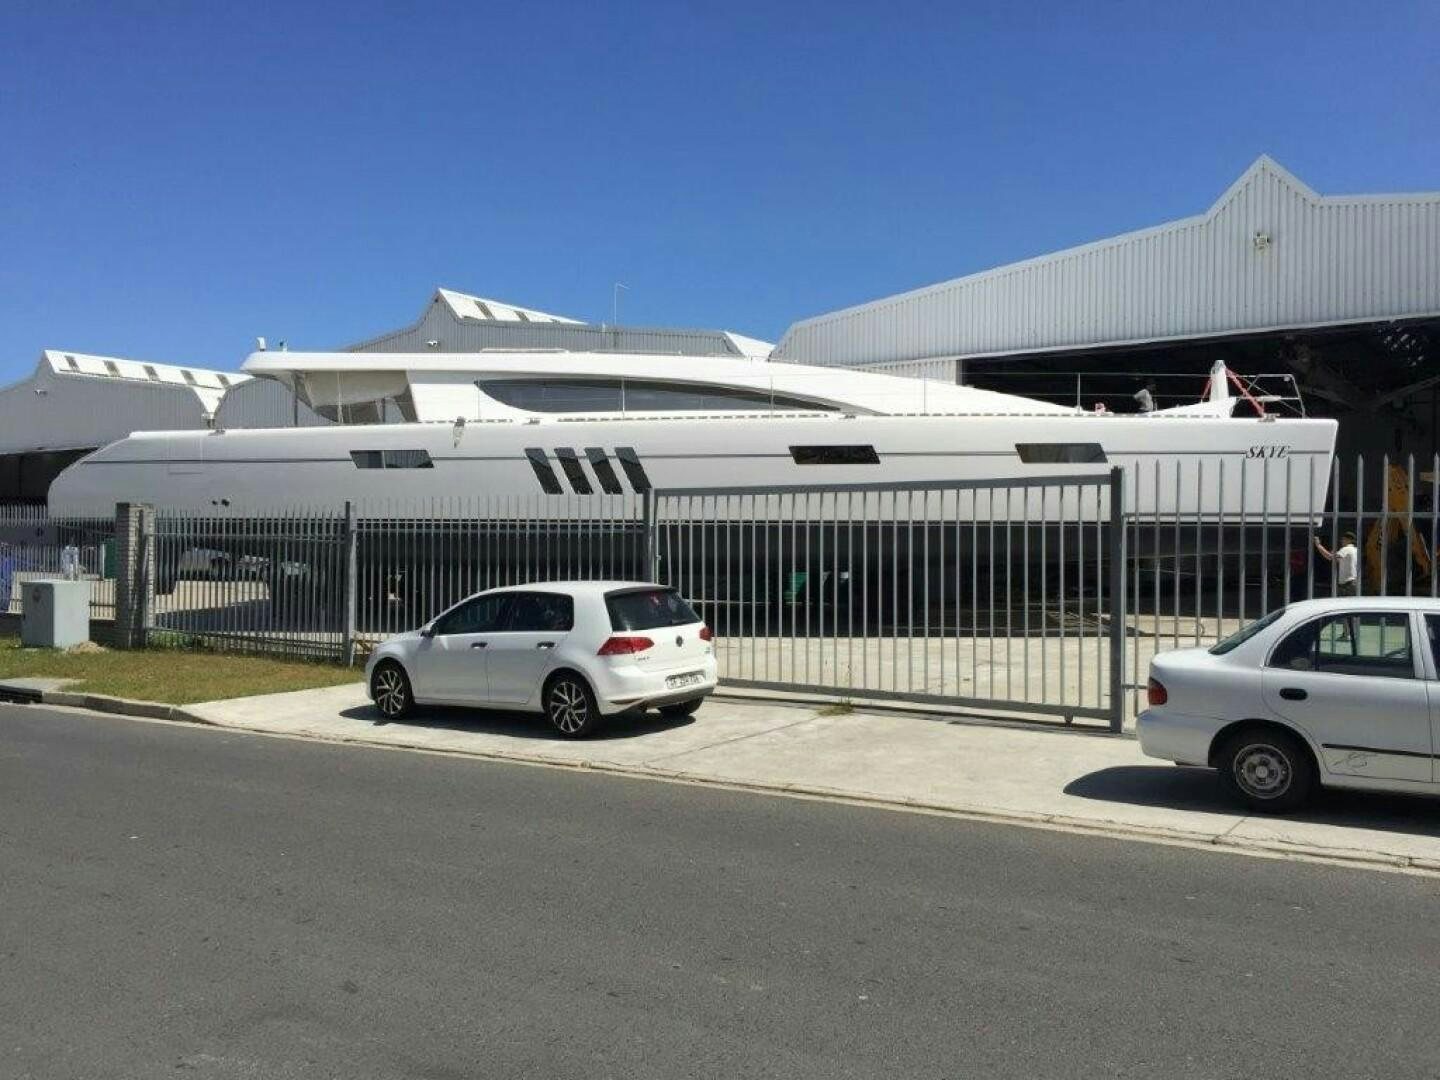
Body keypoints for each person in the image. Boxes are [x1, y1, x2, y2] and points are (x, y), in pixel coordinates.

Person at [1314, 531, 1359, 596]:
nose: (1341, 541)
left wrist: (1318, 545)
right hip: (1353, 582)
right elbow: (1342, 560)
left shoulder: (1346, 549)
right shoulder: (1355, 549)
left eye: (1343, 539)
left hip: (1347, 584)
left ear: (1348, 540)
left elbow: (1330, 557)